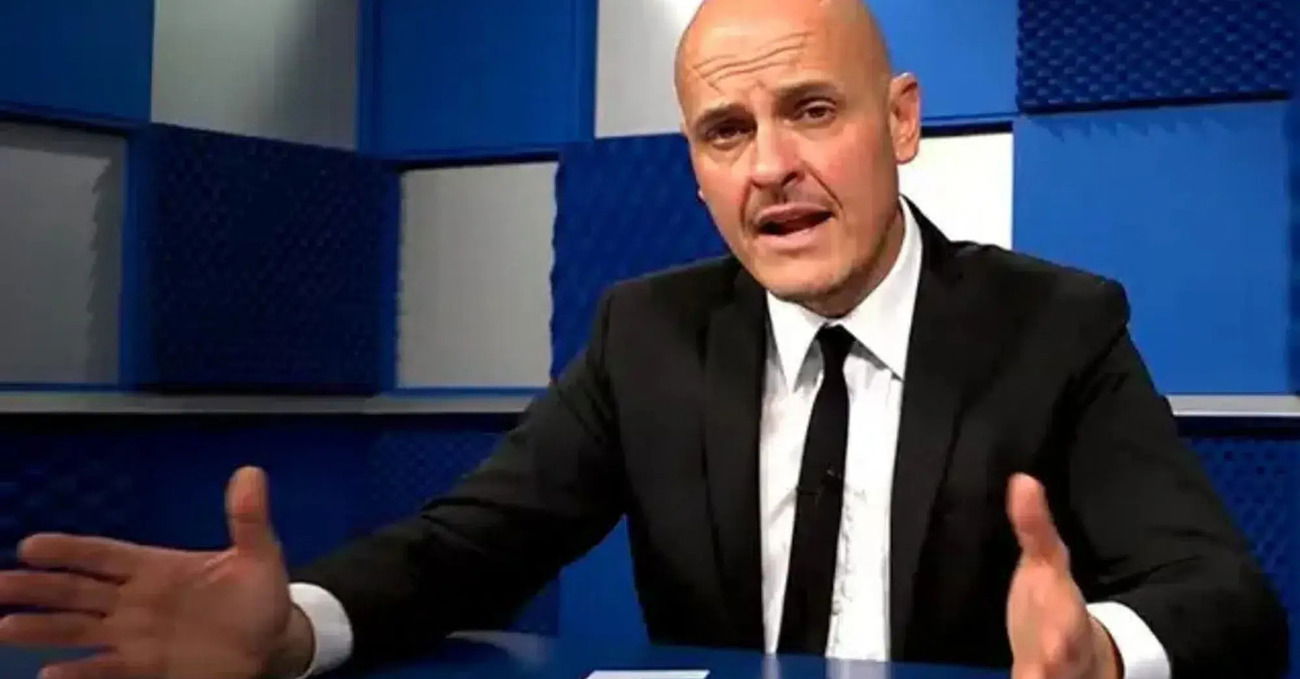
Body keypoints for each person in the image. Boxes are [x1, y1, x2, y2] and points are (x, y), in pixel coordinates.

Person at [0, 1, 1286, 678]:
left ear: (900, 121)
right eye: (727, 132)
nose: (770, 167)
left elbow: (1226, 600)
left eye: (811, 110)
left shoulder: (1056, 324)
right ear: (694, 166)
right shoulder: (647, 333)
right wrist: (295, 628)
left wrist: (1103, 653)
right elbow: (469, 546)